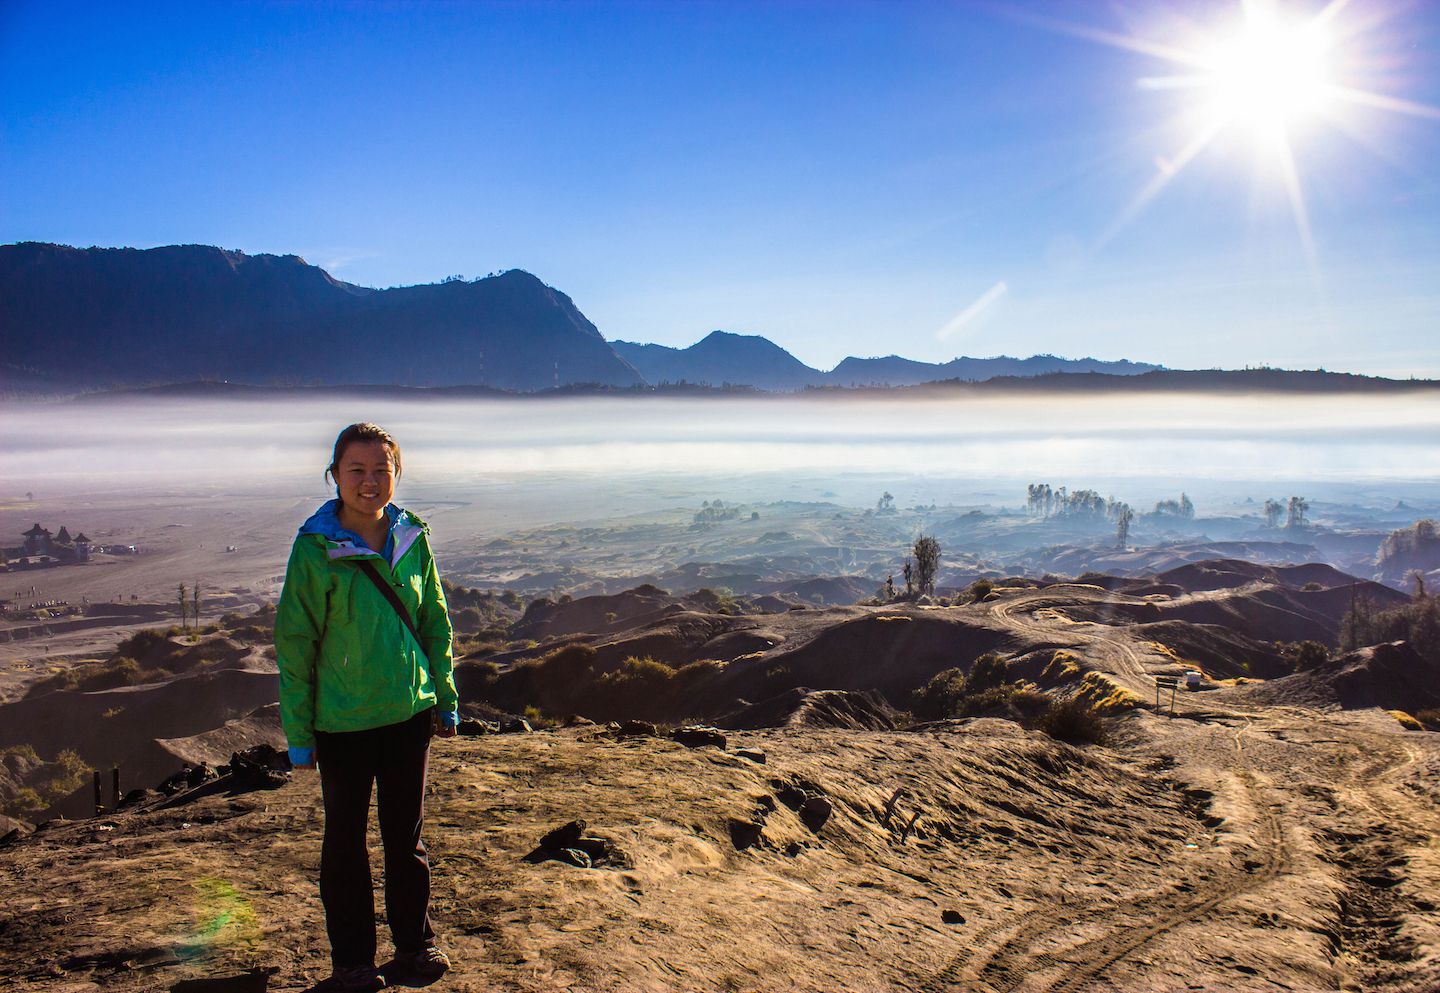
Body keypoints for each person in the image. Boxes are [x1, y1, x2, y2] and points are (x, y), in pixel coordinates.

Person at [275, 422, 459, 992]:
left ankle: (413, 948)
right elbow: (296, 643)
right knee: (346, 844)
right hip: (343, 723)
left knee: (406, 840)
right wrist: (299, 735)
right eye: (357, 470)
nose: (370, 481)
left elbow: (434, 622)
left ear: (396, 474)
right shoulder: (316, 551)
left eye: (382, 469)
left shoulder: (412, 537)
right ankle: (352, 964)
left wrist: (445, 698)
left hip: (408, 715)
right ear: (334, 476)